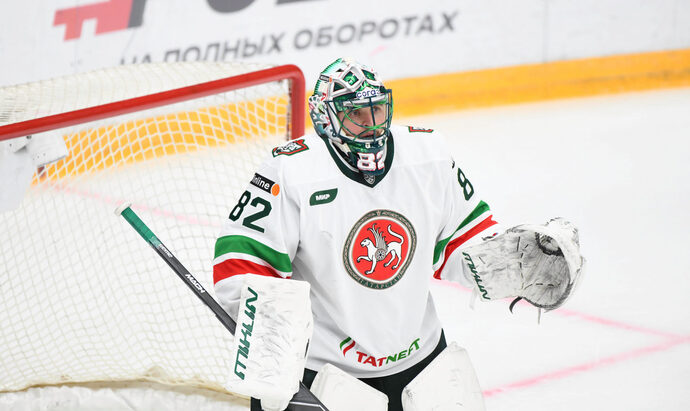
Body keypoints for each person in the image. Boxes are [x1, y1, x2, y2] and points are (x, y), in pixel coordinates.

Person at [213, 58, 583, 410]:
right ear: (326, 119)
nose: (372, 124)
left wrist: (511, 262)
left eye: (376, 109)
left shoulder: (428, 156)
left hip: (422, 364)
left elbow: (461, 239)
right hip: (324, 372)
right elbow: (242, 260)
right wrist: (271, 349)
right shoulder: (291, 172)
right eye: (356, 114)